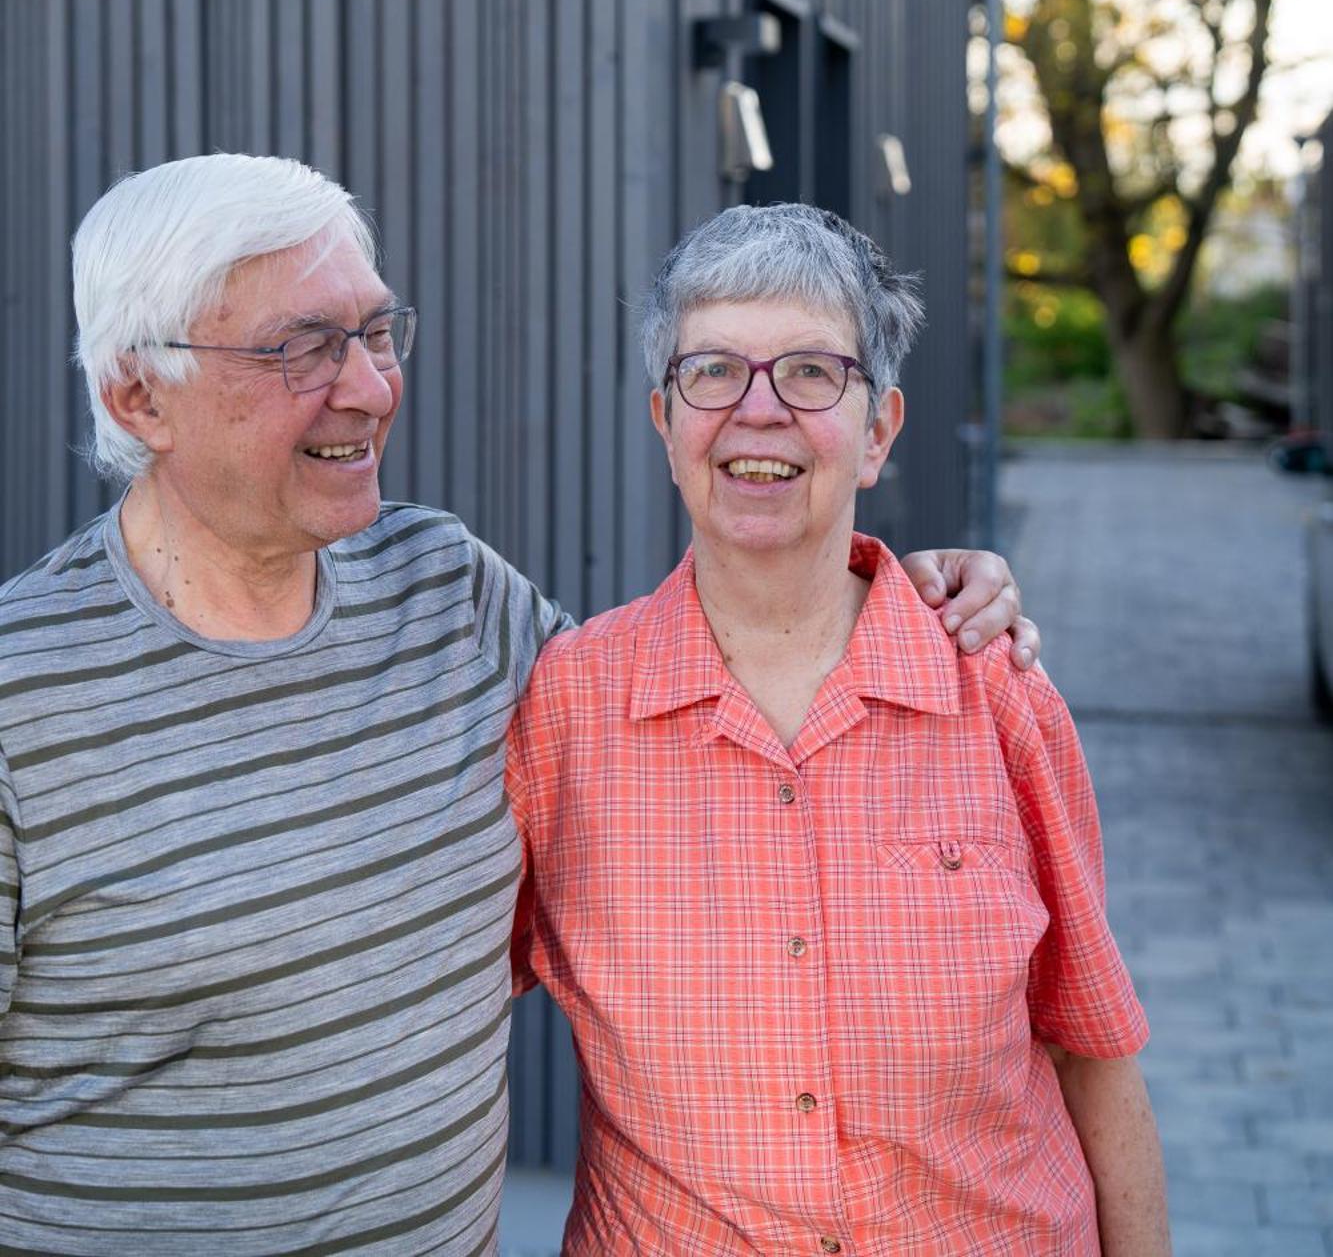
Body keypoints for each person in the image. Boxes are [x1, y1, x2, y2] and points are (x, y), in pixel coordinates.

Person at [0, 154, 1033, 1255]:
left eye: (376, 330)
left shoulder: (450, 593)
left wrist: (894, 593)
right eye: (301, 346)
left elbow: (681, 700)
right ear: (138, 394)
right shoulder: (23, 701)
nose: (369, 386)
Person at [509, 203, 1171, 1255]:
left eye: (812, 371)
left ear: (877, 430)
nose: (757, 411)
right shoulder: (566, 709)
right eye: (713, 370)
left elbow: (1093, 1045)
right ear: (664, 420)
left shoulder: (996, 691)